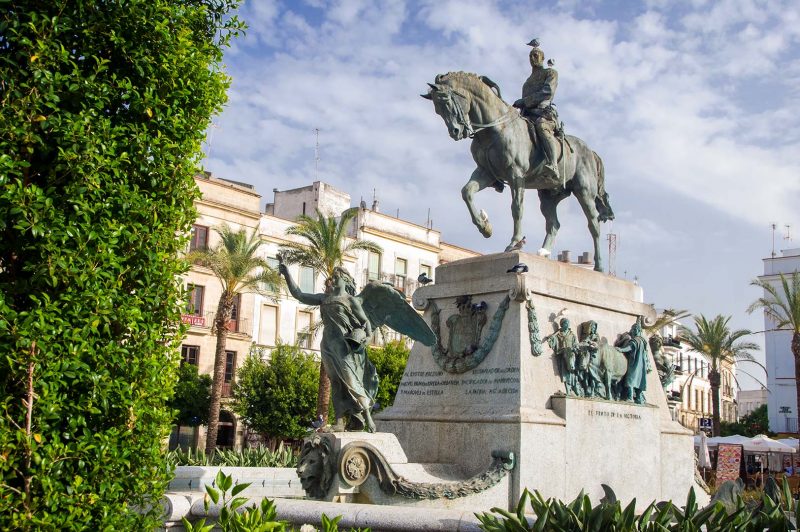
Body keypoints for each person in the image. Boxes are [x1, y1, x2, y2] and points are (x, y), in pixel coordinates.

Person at [279, 263, 379, 432]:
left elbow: (366, 322)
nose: (333, 279)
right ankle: (339, 422)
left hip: (344, 347)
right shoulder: (324, 298)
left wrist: (367, 338)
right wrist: (287, 273)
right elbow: (299, 294)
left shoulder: (350, 300)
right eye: (333, 276)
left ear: (345, 280)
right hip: (327, 346)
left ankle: (368, 418)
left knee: (351, 380)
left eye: (337, 277)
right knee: (336, 383)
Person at [513, 39, 560, 183]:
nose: (533, 58)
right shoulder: (527, 82)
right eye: (531, 56)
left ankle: (553, 164)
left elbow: (547, 91)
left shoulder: (550, 72)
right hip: (527, 115)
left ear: (543, 58)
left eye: (536, 55)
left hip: (544, 114)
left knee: (541, 126)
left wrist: (525, 101)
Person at [616, 320, 651, 404]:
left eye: (632, 330)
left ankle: (630, 397)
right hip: (642, 366)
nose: (631, 331)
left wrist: (620, 349)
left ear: (636, 330)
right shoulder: (643, 341)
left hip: (634, 364)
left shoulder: (636, 340)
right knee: (639, 381)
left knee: (630, 379)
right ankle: (639, 398)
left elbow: (629, 348)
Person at [546, 318, 582, 396]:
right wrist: (551, 338)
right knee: (565, 374)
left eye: (568, 323)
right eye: (565, 323)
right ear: (562, 325)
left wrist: (575, 348)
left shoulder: (572, 335)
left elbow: (576, 344)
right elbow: (554, 343)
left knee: (572, 373)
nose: (567, 325)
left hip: (571, 355)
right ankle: (568, 389)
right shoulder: (558, 334)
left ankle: (575, 387)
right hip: (563, 355)